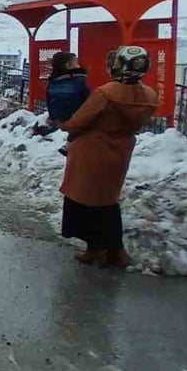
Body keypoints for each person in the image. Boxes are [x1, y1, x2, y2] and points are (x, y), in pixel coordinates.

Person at [59, 45, 159, 269]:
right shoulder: (149, 95)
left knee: (84, 202)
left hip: (91, 152)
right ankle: (114, 251)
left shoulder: (105, 93)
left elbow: (78, 121)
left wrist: (63, 124)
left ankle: (96, 249)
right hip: (120, 151)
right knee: (107, 202)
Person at [46, 51, 90, 154]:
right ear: (68, 66)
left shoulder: (53, 82)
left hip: (59, 117)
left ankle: (69, 145)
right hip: (76, 116)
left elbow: (49, 100)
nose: (79, 65)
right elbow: (87, 97)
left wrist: (53, 117)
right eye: (76, 63)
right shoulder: (78, 80)